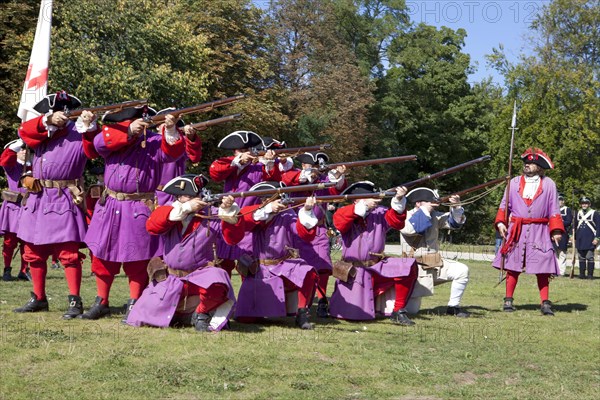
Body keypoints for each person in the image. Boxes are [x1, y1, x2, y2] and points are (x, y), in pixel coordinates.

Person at [82, 105, 187, 321]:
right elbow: (97, 144)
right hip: (110, 204)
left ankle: (134, 301)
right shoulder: (114, 136)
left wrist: (170, 129)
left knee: (137, 260)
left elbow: (173, 153)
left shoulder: (156, 141)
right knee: (102, 257)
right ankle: (101, 301)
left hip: (139, 206)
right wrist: (129, 132)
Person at [13, 91, 100, 318]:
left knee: (68, 253)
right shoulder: (43, 131)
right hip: (38, 196)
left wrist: (90, 127)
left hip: (63, 195)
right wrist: (47, 120)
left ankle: (75, 301)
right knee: (33, 251)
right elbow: (23, 131)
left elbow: (93, 149)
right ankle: (38, 297)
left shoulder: (79, 131)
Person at [127, 174, 244, 331]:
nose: (191, 199)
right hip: (171, 278)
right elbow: (152, 226)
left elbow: (233, 239)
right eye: (186, 196)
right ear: (178, 197)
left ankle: (201, 314)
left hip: (200, 276)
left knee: (218, 279)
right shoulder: (170, 211)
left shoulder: (212, 213)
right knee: (144, 314)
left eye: (193, 196)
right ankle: (187, 317)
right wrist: (187, 208)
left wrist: (229, 213)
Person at [328, 181, 418, 326]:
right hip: (354, 270)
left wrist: (399, 200)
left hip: (377, 267)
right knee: (354, 315)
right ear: (358, 200)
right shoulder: (345, 212)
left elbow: (397, 222)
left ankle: (398, 310)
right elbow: (340, 223)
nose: (376, 200)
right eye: (371, 196)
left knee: (407, 267)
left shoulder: (380, 212)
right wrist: (360, 210)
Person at [235, 181, 320, 330]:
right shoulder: (257, 213)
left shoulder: (287, 213)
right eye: (264, 199)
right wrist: (267, 209)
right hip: (260, 268)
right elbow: (244, 219)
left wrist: (306, 210)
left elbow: (303, 234)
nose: (265, 202)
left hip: (283, 264)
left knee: (308, 273)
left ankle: (302, 313)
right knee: (246, 318)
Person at [492, 147, 564, 316]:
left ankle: (545, 303)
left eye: (531, 163)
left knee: (543, 266)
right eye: (526, 162)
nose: (527, 165)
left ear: (539, 167)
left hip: (540, 230)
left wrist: (555, 230)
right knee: (512, 265)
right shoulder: (514, 182)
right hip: (517, 229)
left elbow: (554, 208)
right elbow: (504, 204)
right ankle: (508, 300)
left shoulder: (549, 184)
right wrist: (501, 222)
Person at [281, 151, 347, 318]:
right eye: (313, 165)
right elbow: (287, 179)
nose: (317, 169)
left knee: (323, 267)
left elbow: (336, 190)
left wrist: (338, 175)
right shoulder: (295, 175)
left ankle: (322, 300)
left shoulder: (323, 181)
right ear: (304, 165)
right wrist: (306, 176)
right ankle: (297, 304)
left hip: (318, 229)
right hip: (295, 229)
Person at [209, 131, 280, 277]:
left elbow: (274, 183)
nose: (246, 153)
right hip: (228, 218)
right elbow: (215, 172)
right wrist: (237, 161)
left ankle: (248, 298)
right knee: (221, 266)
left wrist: (270, 162)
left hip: (249, 220)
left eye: (248, 150)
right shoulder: (230, 164)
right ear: (236, 152)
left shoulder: (260, 167)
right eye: (242, 151)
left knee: (248, 266)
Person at [399, 187, 470, 318]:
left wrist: (456, 207)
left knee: (462, 270)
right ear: (418, 203)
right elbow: (411, 230)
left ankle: (453, 307)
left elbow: (454, 223)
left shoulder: (434, 216)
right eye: (429, 201)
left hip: (434, 265)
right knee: (412, 311)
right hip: (415, 270)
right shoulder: (406, 216)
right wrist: (426, 211)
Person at [154, 108, 202, 206]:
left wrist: (190, 137)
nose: (169, 124)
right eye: (165, 122)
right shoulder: (151, 141)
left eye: (173, 122)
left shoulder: (181, 141)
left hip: (178, 193)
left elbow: (194, 157)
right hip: (156, 193)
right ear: (157, 126)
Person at [0, 139, 29, 281]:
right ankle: (7, 269)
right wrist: (21, 140)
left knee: (27, 241)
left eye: (26, 149)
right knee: (9, 242)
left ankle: (24, 270)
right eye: (21, 149)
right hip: (13, 208)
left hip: (29, 207)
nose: (24, 151)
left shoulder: (34, 167)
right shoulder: (11, 166)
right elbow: (5, 159)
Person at [575, 197, 599, 279]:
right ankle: (582, 274)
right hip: (580, 238)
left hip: (590, 238)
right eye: (582, 203)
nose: (584, 205)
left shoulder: (594, 213)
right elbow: (574, 226)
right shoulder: (578, 213)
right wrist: (572, 236)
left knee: (589, 257)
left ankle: (590, 275)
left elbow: (599, 227)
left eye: (586, 203)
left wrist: (597, 238)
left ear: (589, 204)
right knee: (581, 257)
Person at [555, 194, 573, 276]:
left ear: (563, 201)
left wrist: (558, 222)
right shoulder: (553, 209)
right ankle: (554, 270)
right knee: (554, 252)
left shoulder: (567, 210)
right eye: (558, 200)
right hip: (553, 233)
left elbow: (568, 221)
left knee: (562, 252)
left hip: (563, 233)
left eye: (561, 200)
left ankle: (561, 272)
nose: (560, 201)